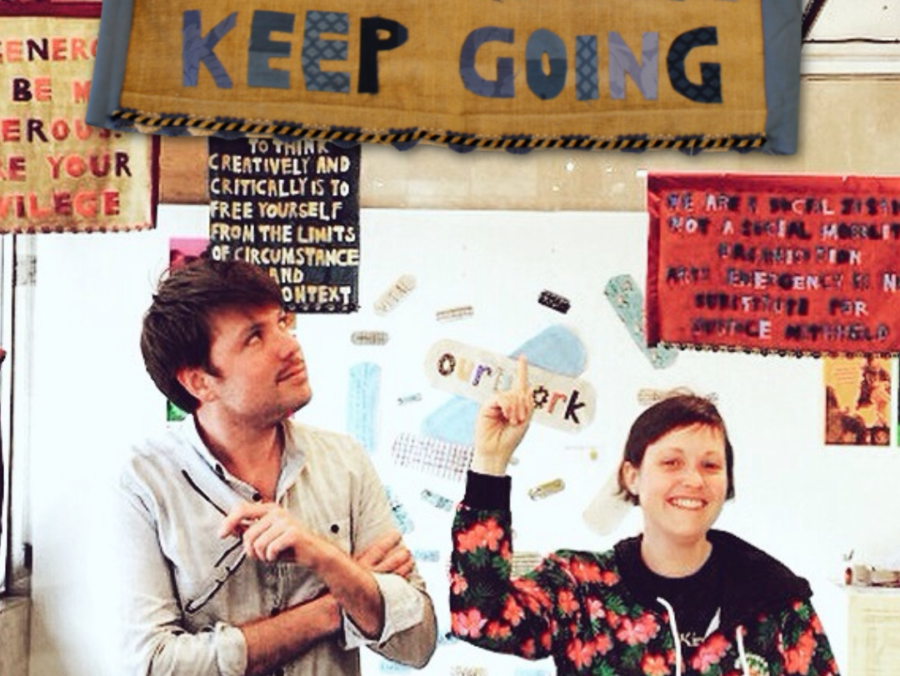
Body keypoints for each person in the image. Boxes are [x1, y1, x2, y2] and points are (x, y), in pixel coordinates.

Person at [119, 256, 436, 676]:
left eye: (283, 322)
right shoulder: (145, 482)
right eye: (254, 337)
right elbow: (154, 666)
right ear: (199, 381)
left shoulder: (345, 462)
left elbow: (417, 643)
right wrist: (332, 604)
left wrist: (325, 559)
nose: (290, 345)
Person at [450, 359, 839, 676]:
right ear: (631, 476)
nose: (693, 480)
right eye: (672, 462)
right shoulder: (580, 589)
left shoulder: (776, 598)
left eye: (711, 465)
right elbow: (480, 619)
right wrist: (490, 463)